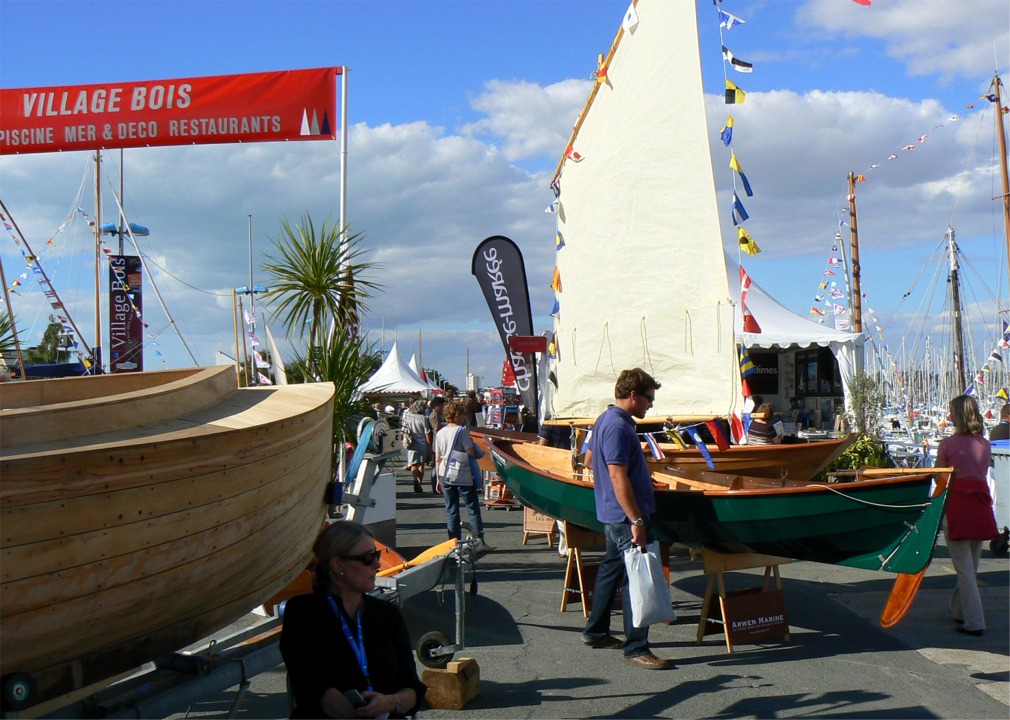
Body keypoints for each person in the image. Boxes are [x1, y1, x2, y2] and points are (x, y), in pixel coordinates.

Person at [280, 521, 426, 718]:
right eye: (368, 558)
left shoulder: (387, 614)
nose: (377, 564)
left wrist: (390, 702)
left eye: (377, 555)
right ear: (338, 565)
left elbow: (412, 688)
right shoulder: (304, 612)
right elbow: (313, 686)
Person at [581, 368, 671, 670]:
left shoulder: (604, 420)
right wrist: (637, 519)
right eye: (648, 398)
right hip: (626, 516)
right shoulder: (619, 427)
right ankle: (636, 647)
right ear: (633, 395)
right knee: (638, 576)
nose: (651, 404)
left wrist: (614, 488)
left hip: (612, 512)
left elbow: (590, 461)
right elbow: (618, 475)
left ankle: (595, 632)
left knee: (611, 570)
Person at [935, 394, 999, 637]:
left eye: (951, 412)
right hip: (980, 505)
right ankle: (958, 610)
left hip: (958, 506)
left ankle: (974, 621)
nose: (948, 416)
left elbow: (940, 478)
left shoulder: (948, 445)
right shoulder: (985, 444)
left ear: (958, 416)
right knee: (971, 566)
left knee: (963, 568)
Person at [434, 399, 489, 549]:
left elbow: (437, 457)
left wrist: (438, 479)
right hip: (461, 473)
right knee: (472, 507)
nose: (465, 417)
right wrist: (475, 447)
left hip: (445, 472)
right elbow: (470, 452)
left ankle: (454, 543)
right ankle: (479, 540)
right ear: (456, 414)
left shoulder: (440, 433)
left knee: (451, 509)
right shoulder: (462, 431)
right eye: (463, 414)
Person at [402, 399, 431, 494]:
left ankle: (415, 478)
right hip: (422, 444)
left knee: (413, 464)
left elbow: (404, 430)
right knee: (421, 465)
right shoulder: (423, 418)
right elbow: (427, 432)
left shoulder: (408, 417)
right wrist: (429, 445)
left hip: (412, 444)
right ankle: (419, 483)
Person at [426, 396, 447, 493]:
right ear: (436, 406)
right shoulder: (435, 415)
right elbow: (436, 429)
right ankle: (435, 484)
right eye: (441, 405)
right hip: (437, 442)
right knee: (436, 465)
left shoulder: (438, 414)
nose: (443, 406)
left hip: (438, 441)